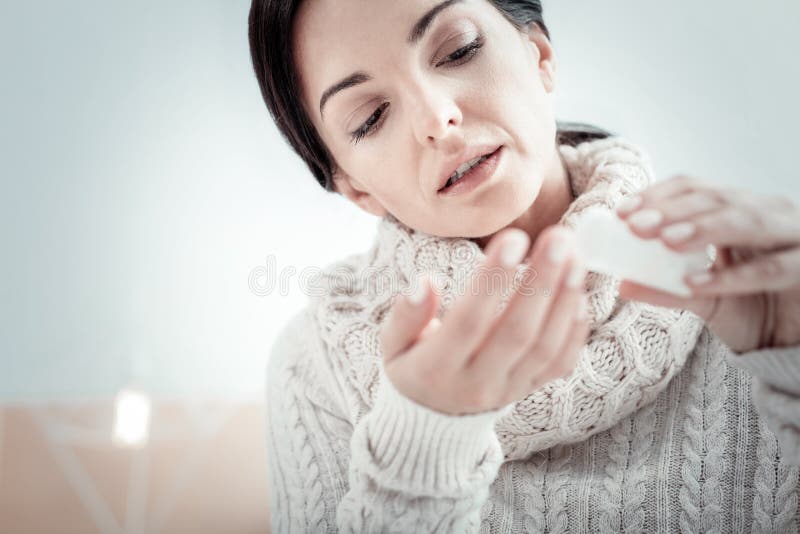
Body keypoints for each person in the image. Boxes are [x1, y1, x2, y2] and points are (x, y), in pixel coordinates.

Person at [248, 0, 800, 531]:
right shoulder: (314, 365)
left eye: (458, 50)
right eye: (370, 117)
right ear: (355, 187)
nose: (438, 119)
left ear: (539, 56)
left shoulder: (748, 289)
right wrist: (421, 443)